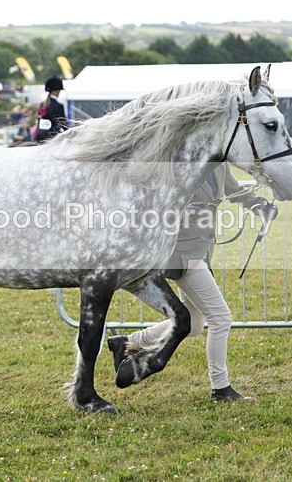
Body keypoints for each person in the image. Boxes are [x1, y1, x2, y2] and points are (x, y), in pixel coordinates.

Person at [107, 163, 277, 402]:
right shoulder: (179, 165)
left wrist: (259, 205)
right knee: (221, 318)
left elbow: (234, 190)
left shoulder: (219, 165)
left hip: (201, 251)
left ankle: (129, 342)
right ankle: (221, 388)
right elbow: (159, 203)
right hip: (182, 254)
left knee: (195, 323)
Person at [36, 76, 68, 144]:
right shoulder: (58, 105)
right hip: (53, 138)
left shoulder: (42, 104)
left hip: (40, 136)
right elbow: (63, 124)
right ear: (57, 91)